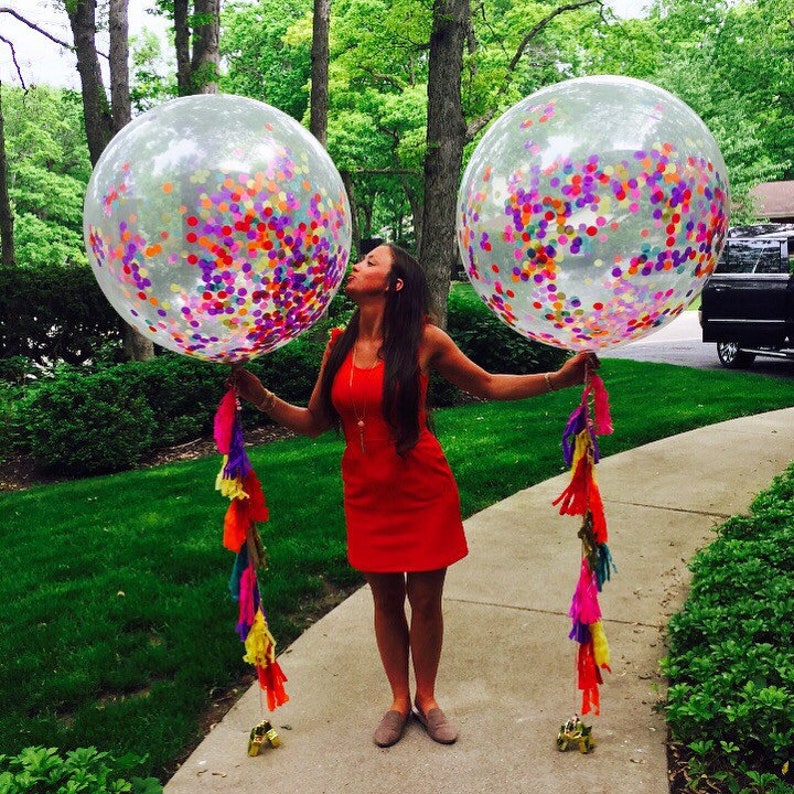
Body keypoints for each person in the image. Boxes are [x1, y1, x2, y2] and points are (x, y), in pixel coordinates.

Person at [229, 243, 595, 748]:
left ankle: (427, 698)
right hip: (364, 494)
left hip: (422, 490)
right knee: (384, 600)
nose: (356, 267)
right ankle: (398, 701)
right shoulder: (338, 342)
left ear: (394, 284)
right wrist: (260, 396)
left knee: (425, 600)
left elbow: (487, 385)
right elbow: (314, 423)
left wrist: (561, 377)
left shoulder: (425, 341)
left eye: (370, 263)